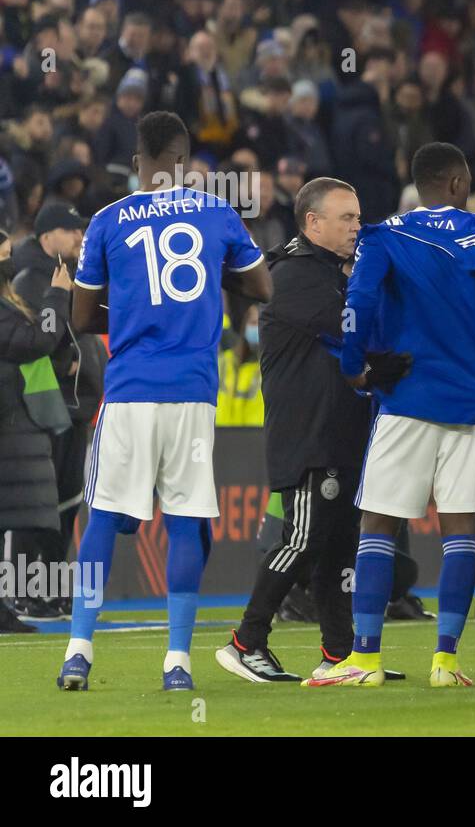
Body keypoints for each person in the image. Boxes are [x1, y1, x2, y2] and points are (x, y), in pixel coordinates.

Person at [305, 142, 475, 688]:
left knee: (379, 525)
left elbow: (358, 302)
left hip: (406, 400)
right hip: (471, 405)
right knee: (460, 528)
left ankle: (364, 659)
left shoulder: (386, 235)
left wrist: (354, 365)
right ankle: (446, 661)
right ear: (459, 183)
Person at [57, 111, 272, 692]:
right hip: (195, 391)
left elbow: (80, 317)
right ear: (185, 163)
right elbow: (262, 288)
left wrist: (132, 312)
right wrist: (204, 287)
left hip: (130, 391)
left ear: (136, 163)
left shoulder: (106, 221)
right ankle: (177, 662)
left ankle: (78, 651)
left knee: (102, 513)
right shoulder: (215, 213)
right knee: (184, 519)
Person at [216, 177, 410, 683]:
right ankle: (246, 641)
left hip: (339, 430)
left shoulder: (327, 271)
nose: (356, 227)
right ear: (312, 222)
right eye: (345, 218)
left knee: (336, 547)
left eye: (358, 216)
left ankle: (339, 655)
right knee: (301, 538)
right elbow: (351, 328)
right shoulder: (295, 273)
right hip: (311, 432)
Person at [10, 201, 106, 619]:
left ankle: (48, 590)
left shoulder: (67, 276)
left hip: (75, 406)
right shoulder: (32, 276)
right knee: (35, 507)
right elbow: (30, 337)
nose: (79, 237)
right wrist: (62, 361)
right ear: (48, 235)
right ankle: (23, 590)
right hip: (46, 407)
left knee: (64, 504)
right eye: (71, 230)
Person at [0, 229, 72, 633]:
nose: (10, 261)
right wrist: (56, 295)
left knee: (16, 519)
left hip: (13, 421)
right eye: (4, 254)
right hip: (8, 422)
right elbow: (39, 340)